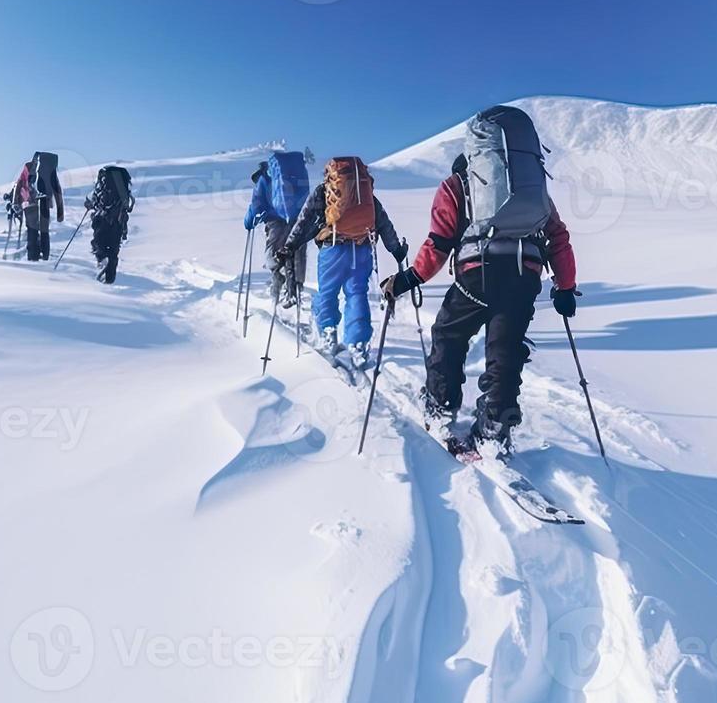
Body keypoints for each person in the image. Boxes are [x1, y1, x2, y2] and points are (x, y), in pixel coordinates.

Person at [381, 106, 579, 459]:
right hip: (525, 275)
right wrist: (564, 288)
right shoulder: (533, 192)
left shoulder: (455, 186)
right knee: (505, 350)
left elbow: (439, 244)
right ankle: (495, 426)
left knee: (448, 334)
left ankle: (440, 405)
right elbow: (557, 237)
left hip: (478, 273)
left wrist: (409, 279)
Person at [278, 156, 407, 370]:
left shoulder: (323, 191)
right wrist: (396, 250)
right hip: (362, 248)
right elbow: (383, 221)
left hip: (333, 248)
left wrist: (289, 246)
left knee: (327, 292)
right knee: (357, 293)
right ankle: (358, 343)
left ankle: (328, 332)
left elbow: (305, 219)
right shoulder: (365, 195)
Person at [246, 153, 310, 308]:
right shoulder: (295, 175)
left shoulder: (263, 179)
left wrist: (248, 222)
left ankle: (277, 283)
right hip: (297, 219)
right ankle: (297, 285)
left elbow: (256, 204)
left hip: (275, 222)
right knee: (295, 251)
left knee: (274, 255)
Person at [85, 166, 135, 284]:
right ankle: (110, 279)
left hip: (102, 219)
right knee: (114, 249)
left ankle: (102, 263)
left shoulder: (103, 184)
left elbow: (94, 200)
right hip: (118, 220)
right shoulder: (122, 186)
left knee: (99, 243)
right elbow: (127, 205)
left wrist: (89, 205)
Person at [13, 152, 64, 262]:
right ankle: (45, 256)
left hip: (30, 204)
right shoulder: (51, 171)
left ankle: (33, 257)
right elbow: (57, 190)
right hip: (45, 202)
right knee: (44, 230)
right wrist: (60, 213)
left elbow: (19, 184)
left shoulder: (28, 167)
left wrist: (16, 203)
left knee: (32, 230)